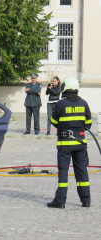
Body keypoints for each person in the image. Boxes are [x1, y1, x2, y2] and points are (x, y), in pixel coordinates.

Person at [47, 77, 92, 209]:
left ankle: (60, 201)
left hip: (64, 143)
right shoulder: (84, 103)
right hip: (80, 143)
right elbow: (88, 125)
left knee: (63, 171)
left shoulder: (61, 104)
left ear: (65, 88)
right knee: (82, 170)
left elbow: (54, 122)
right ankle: (86, 200)